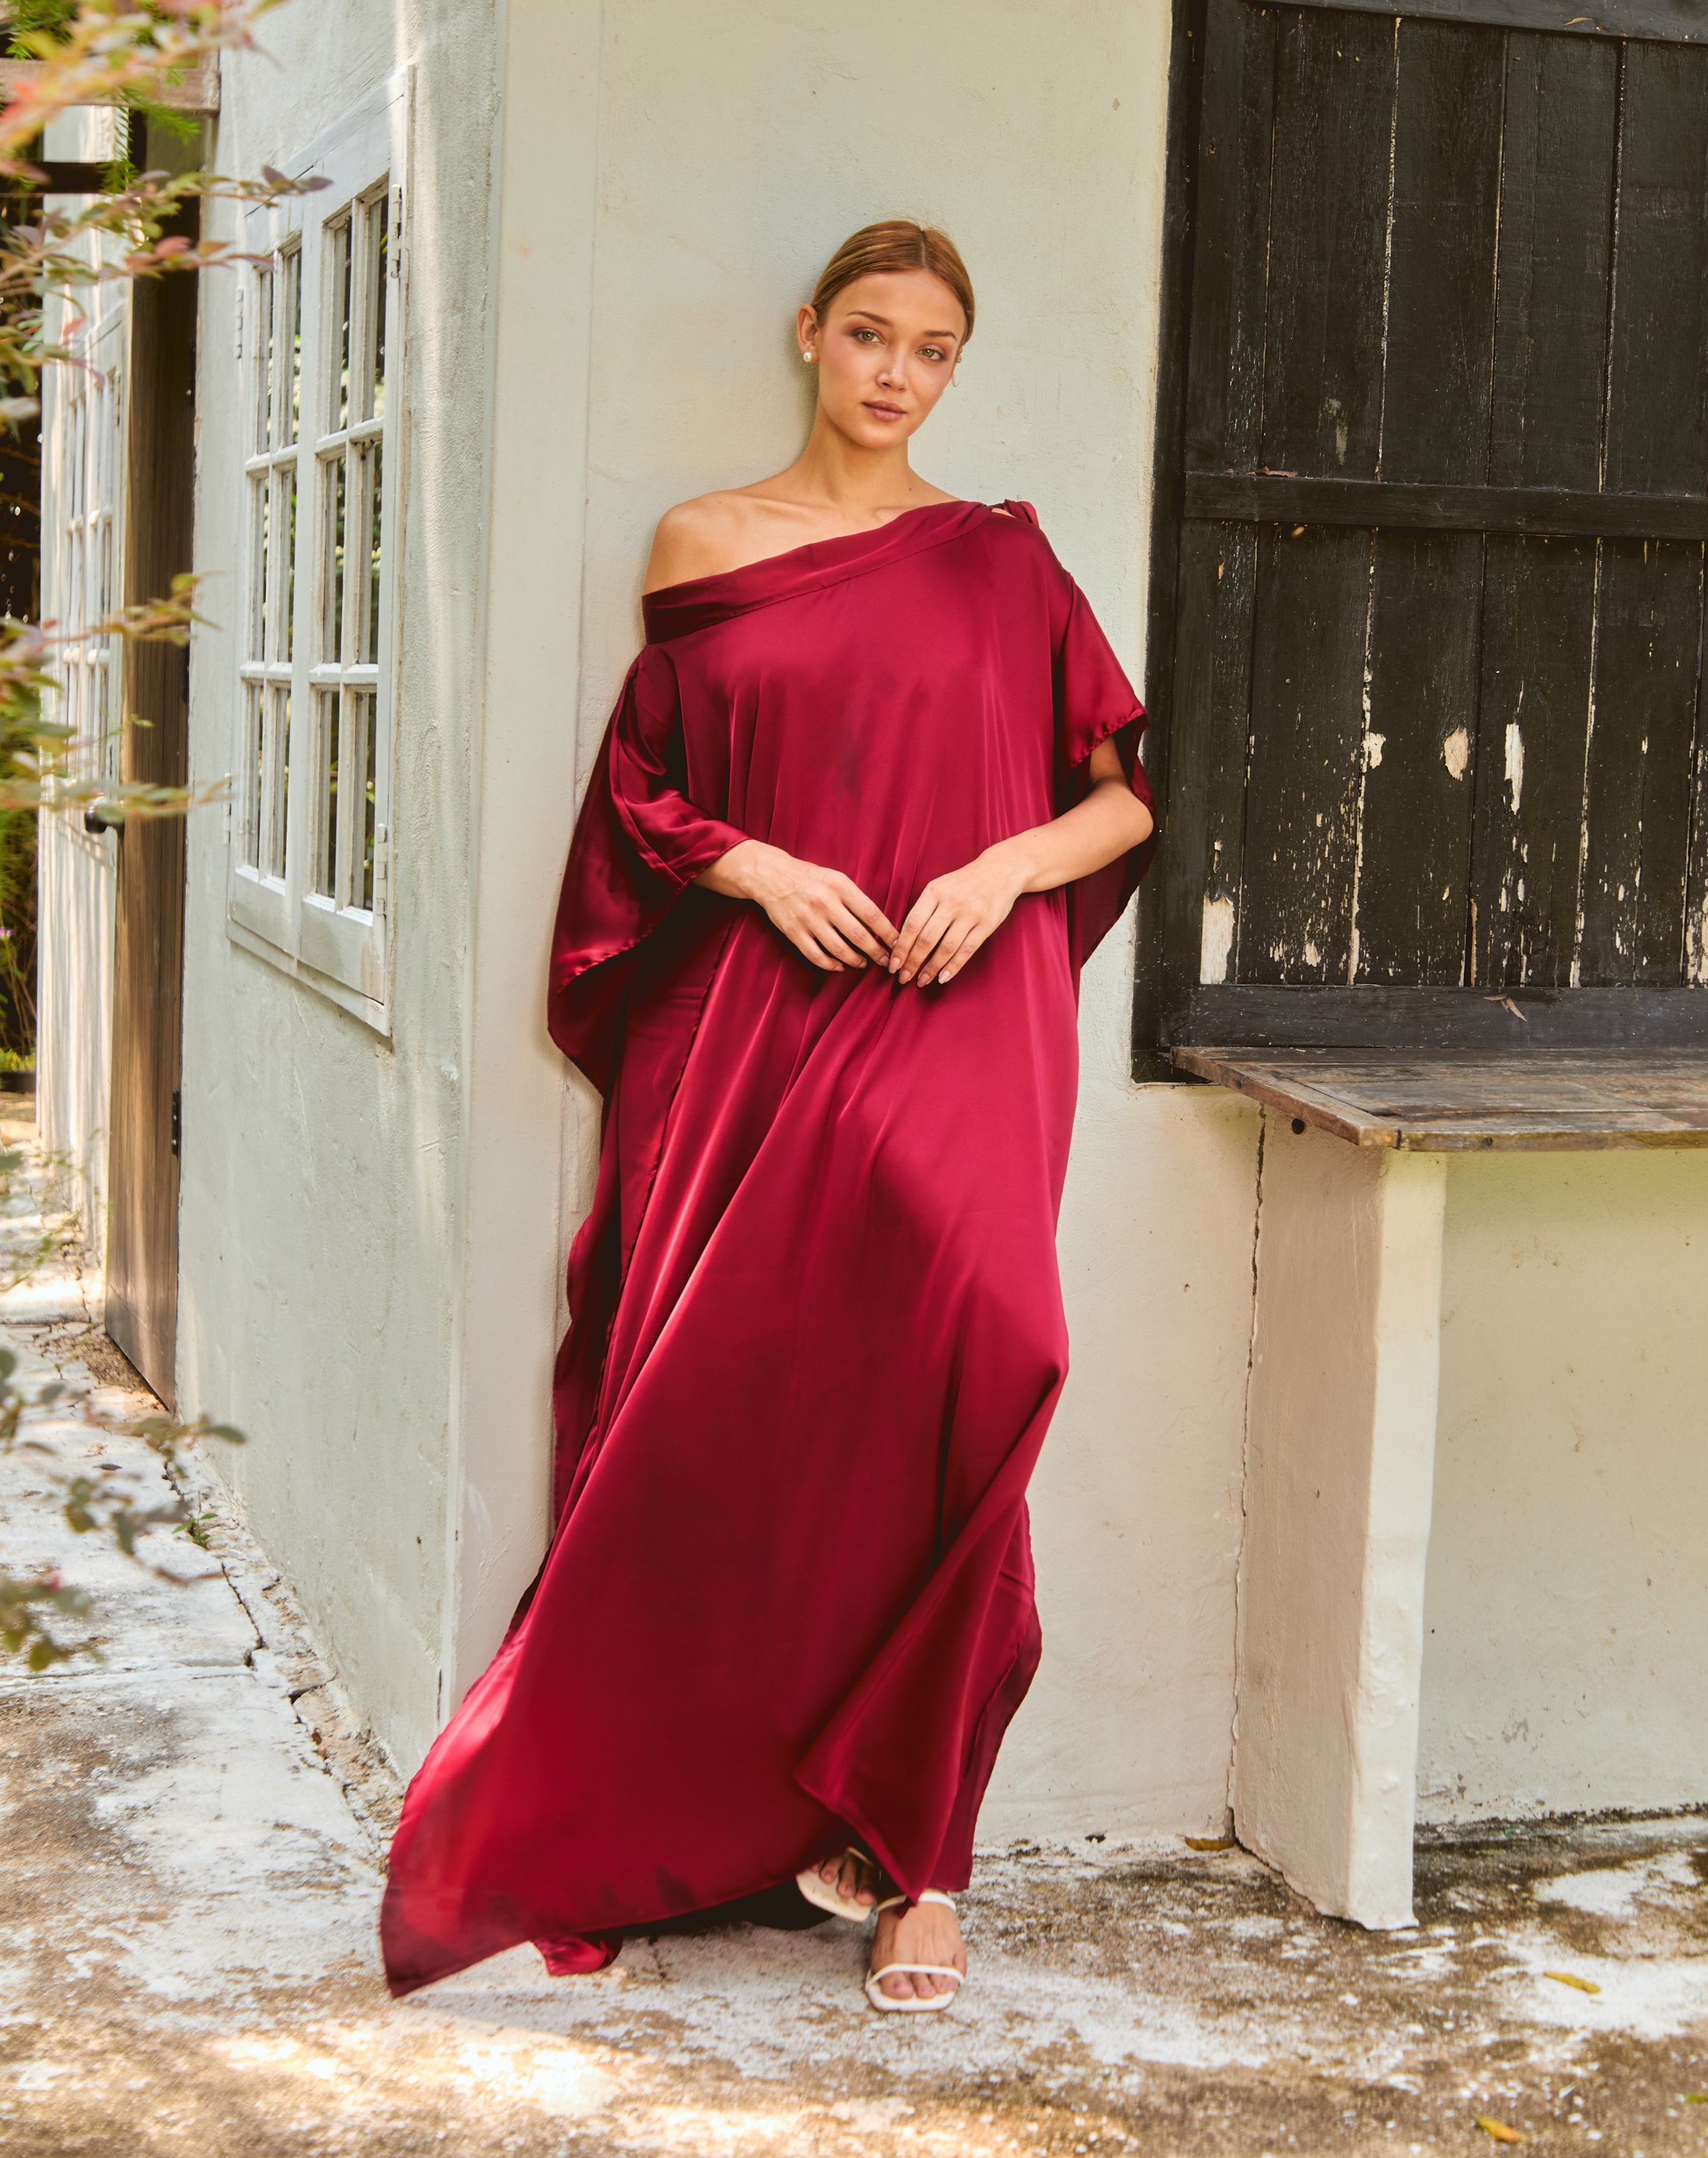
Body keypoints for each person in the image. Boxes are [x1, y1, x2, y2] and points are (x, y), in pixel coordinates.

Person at [381, 220, 1155, 2014]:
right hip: (756, 1024)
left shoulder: (1002, 558)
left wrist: (998, 866)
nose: (895, 373)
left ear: (955, 369)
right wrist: (755, 862)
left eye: (933, 349)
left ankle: (923, 1860)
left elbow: (1121, 799)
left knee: (984, 1358)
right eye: (869, 334)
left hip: (962, 1015)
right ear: (809, 335)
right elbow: (644, 789)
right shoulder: (706, 542)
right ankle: (768, 1812)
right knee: (731, 1403)